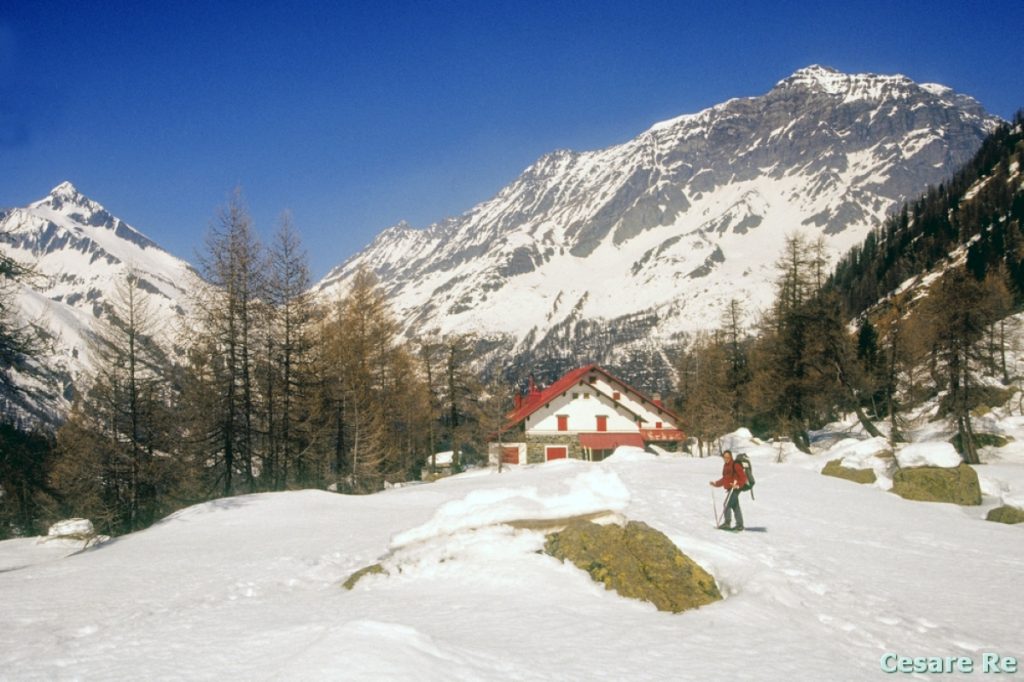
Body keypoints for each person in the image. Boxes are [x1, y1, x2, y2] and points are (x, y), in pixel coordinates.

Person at [709, 449, 747, 531]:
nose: (726, 458)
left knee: (727, 504)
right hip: (731, 488)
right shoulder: (726, 466)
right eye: (725, 457)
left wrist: (737, 485)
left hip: (735, 488)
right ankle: (740, 525)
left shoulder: (735, 465)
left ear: (731, 457)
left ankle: (727, 523)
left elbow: (744, 477)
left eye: (728, 457)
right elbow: (725, 479)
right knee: (735, 506)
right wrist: (715, 484)